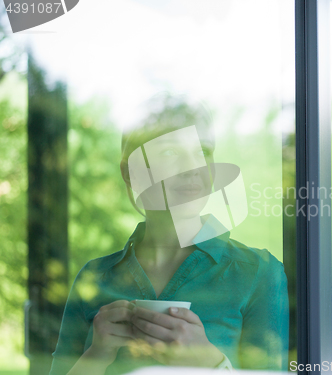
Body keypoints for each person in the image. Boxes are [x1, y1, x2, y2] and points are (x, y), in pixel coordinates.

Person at [49, 95, 289, 375]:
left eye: (202, 151)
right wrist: (97, 354)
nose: (192, 168)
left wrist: (212, 364)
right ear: (129, 173)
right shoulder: (93, 276)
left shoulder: (259, 273)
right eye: (170, 153)